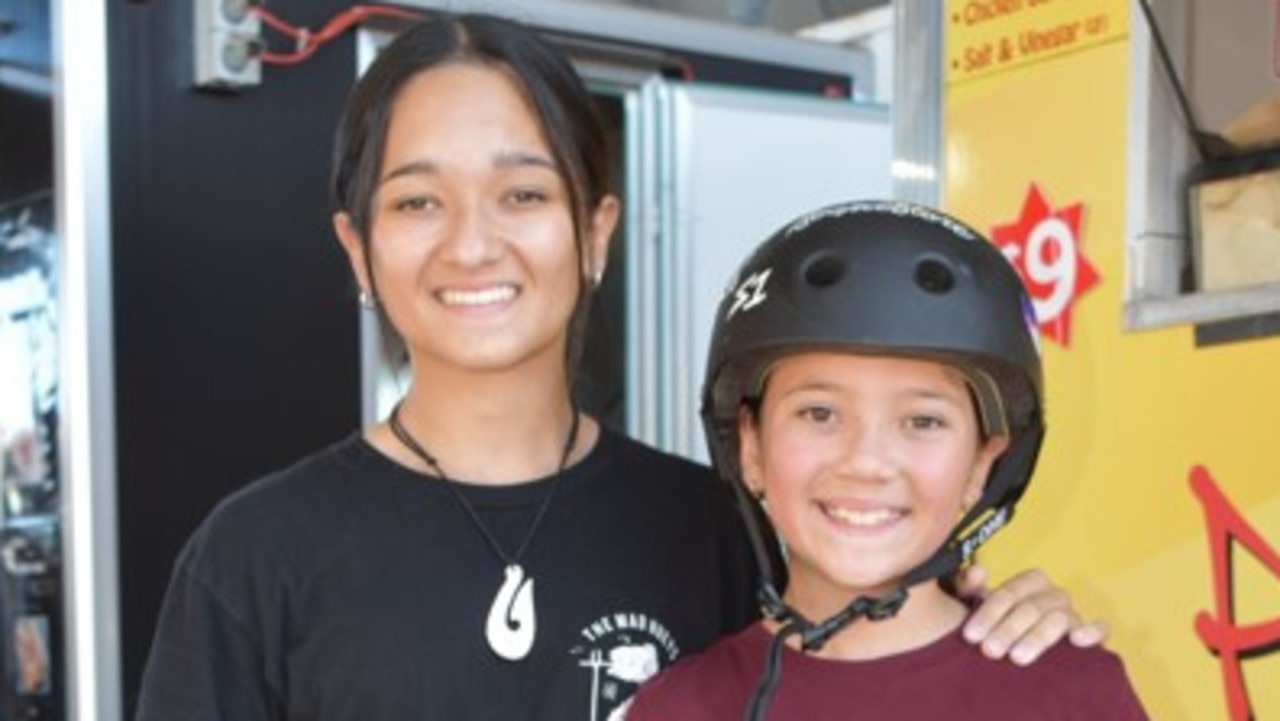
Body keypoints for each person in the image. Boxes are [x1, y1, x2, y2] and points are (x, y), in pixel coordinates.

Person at [134, 15, 1107, 721]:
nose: (472, 244)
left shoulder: (727, 529)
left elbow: (884, 642)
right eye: (418, 203)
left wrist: (996, 618)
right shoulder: (256, 560)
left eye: (521, 192)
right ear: (357, 249)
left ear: (595, 231)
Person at [626, 200, 1149, 720]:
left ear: (981, 465)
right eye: (819, 412)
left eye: (923, 421)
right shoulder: (678, 708)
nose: (867, 462)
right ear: (751, 447)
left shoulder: (1073, 695)